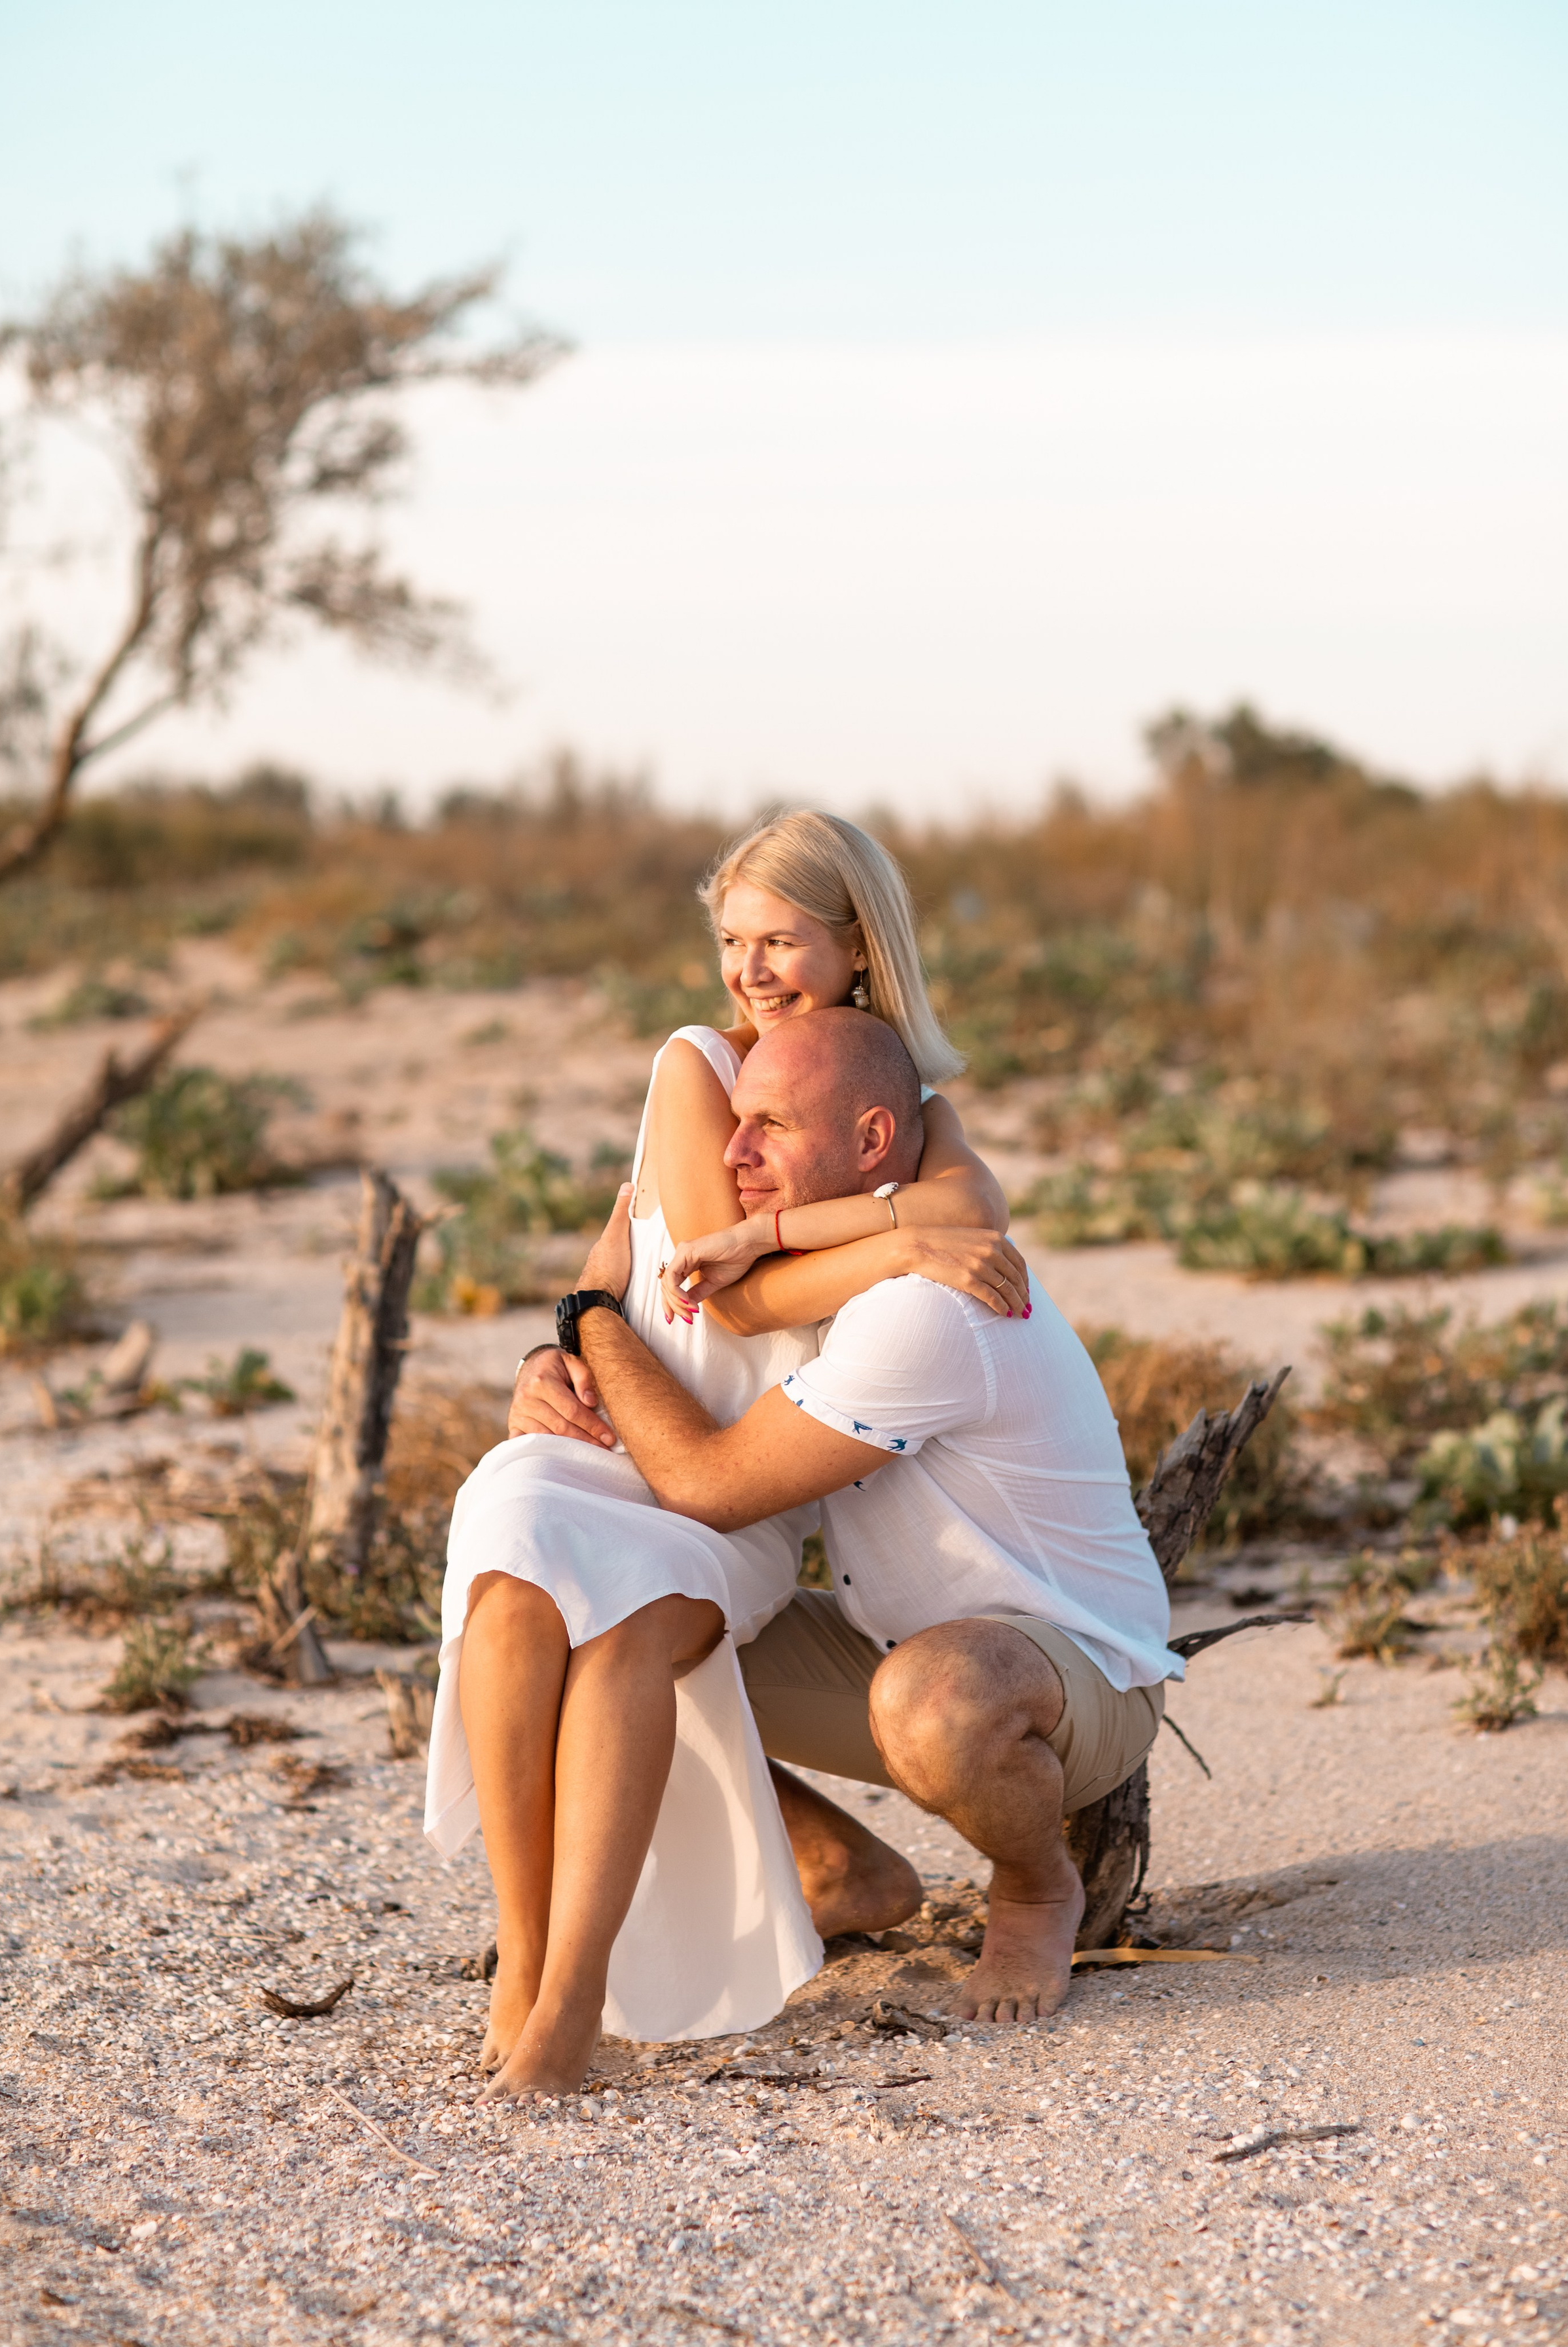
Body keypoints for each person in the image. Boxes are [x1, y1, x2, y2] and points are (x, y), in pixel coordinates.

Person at [422, 812, 1029, 2091]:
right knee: (513, 1582)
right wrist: (562, 1339)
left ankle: (576, 2002)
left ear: (856, 944)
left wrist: (882, 1226)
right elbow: (707, 1285)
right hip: (611, 1436)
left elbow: (977, 1208)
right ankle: (524, 1957)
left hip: (725, 1482)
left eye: (779, 940)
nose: (751, 970)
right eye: (730, 941)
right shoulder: (696, 1066)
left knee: (638, 1627)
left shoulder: (904, 1100)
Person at [499, 1008, 1180, 2096]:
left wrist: (589, 1312)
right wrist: (550, 1358)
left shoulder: (924, 1309)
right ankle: (839, 1866)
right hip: (890, 1649)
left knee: (937, 1703)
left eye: (769, 1124)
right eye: (734, 1122)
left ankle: (1036, 1884)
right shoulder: (840, 1284)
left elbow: (707, 1484)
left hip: (1073, 1669)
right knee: (612, 1627)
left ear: (871, 1144)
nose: (733, 1152)